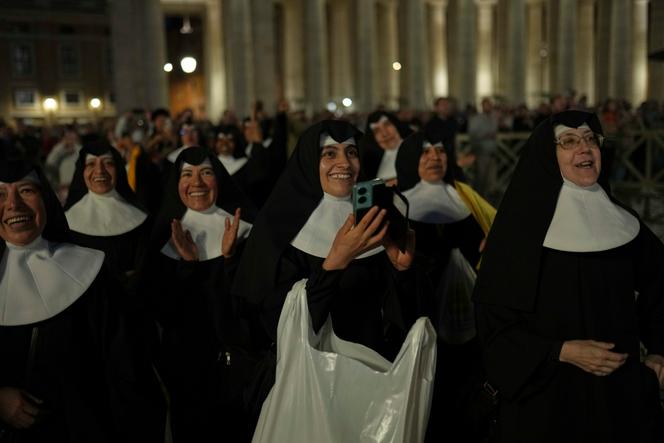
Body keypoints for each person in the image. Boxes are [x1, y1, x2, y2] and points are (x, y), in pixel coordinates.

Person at [473, 110, 664, 442]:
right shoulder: (516, 232)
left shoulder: (623, 221)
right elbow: (496, 326)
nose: (584, 148)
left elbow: (660, 284)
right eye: (569, 141)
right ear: (548, 156)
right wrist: (560, 351)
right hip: (548, 399)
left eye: (591, 139)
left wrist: (660, 349)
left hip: (618, 396)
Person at [0, 144, 164, 442]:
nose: (14, 204)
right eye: (0, 194)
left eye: (26, 190)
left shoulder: (91, 272)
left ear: (45, 199)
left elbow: (127, 372)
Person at [233, 120, 417, 379]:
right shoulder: (276, 227)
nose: (344, 163)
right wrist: (335, 263)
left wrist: (402, 271)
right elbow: (278, 323)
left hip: (372, 372)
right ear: (309, 160)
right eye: (329, 154)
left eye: (351, 152)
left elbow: (402, 318)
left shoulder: (376, 220)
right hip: (311, 377)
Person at [139, 146, 256, 442]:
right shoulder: (161, 237)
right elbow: (162, 311)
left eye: (206, 173)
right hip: (186, 372)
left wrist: (230, 259)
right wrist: (188, 265)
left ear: (220, 179)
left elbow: (251, 304)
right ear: (175, 183)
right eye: (187, 175)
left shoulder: (245, 230)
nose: (197, 183)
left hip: (238, 372)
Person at [396, 126, 496, 442]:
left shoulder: (463, 194)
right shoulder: (400, 202)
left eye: (440, 150)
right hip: (421, 316)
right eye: (425, 152)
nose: (434, 157)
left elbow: (496, 225)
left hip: (471, 312)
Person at [64, 140, 149, 284]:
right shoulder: (65, 222)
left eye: (108, 163)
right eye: (91, 164)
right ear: (81, 172)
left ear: (118, 169)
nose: (100, 170)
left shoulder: (141, 219)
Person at [360, 111, 413, 185]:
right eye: (377, 131)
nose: (385, 133)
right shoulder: (372, 165)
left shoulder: (418, 148)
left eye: (387, 125)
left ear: (396, 125)